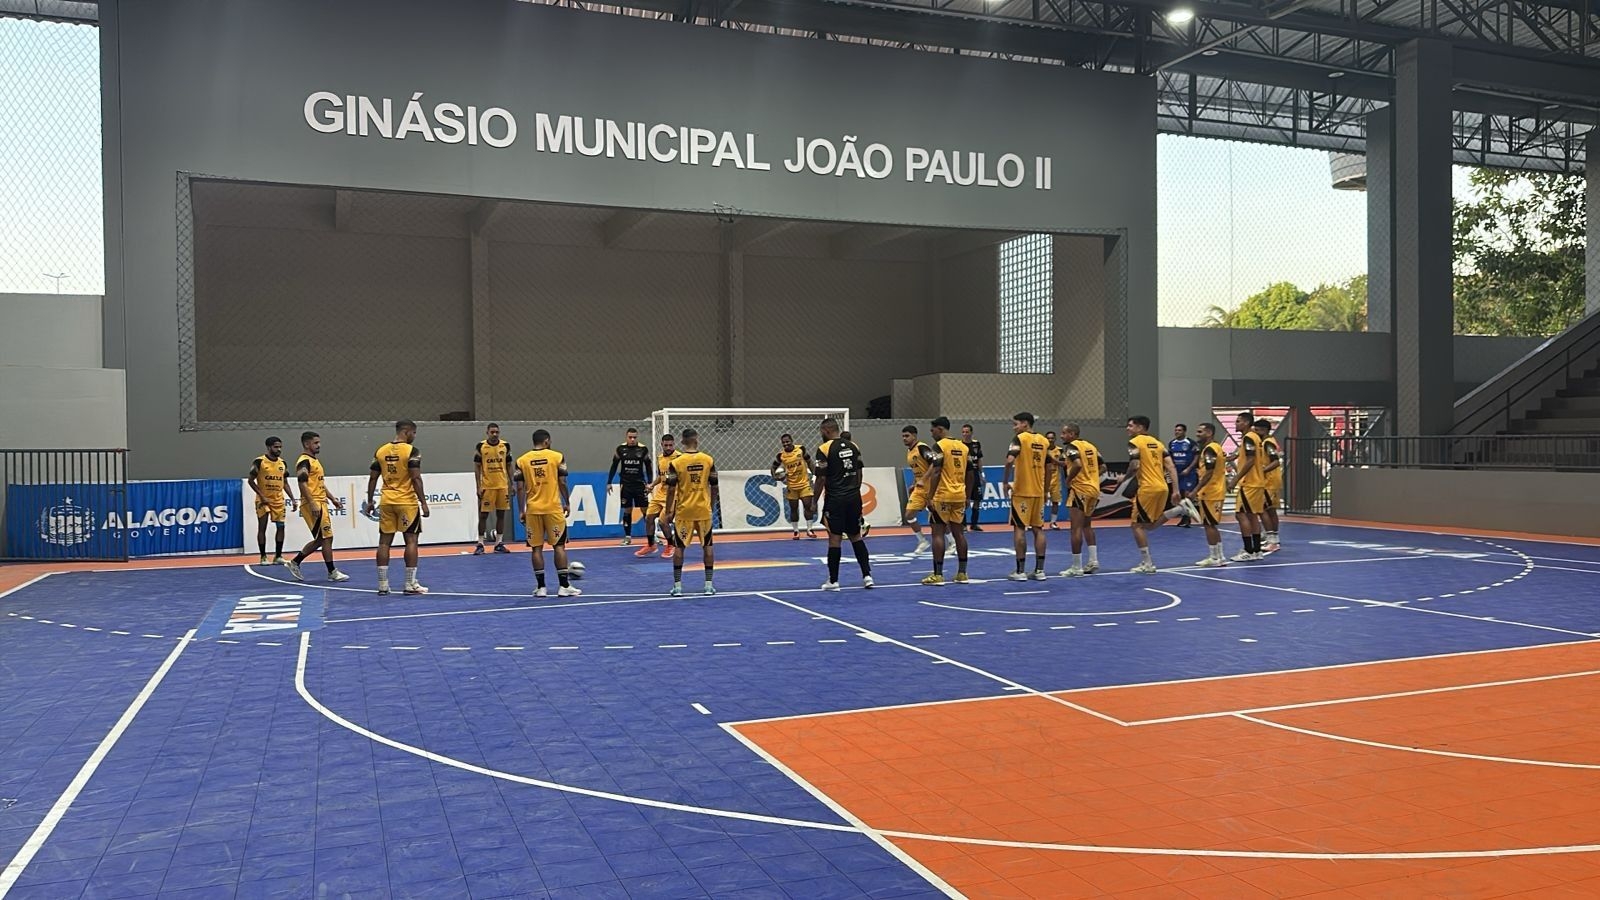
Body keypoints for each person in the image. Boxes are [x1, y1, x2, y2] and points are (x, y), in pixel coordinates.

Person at [1118, 416, 1200, 574]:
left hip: (1147, 488)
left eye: (1130, 426)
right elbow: (1171, 467)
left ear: (1140, 427)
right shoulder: (1158, 444)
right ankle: (1179, 509)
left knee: (1136, 525)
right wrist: (1175, 490)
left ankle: (1147, 563)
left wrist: (1124, 478)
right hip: (1162, 487)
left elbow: (1134, 466)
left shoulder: (1134, 442)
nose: (1127, 428)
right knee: (1149, 525)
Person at [363, 419, 430, 596]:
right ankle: (410, 583)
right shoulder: (412, 451)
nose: (414, 437)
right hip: (406, 502)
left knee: (384, 542)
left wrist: (370, 501)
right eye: (413, 433)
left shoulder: (381, 451)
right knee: (411, 541)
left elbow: (373, 478)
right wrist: (423, 502)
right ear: (407, 432)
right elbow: (415, 478)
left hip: (386, 501)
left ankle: (382, 585)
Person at [514, 429, 580, 598]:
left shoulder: (521, 460)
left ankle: (541, 587)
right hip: (553, 509)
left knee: (536, 548)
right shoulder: (557, 457)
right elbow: (562, 482)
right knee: (559, 546)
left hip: (533, 510)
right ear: (547, 441)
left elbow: (519, 488)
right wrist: (567, 502)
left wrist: (522, 510)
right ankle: (564, 586)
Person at [813, 418, 874, 591]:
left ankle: (833, 581)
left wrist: (813, 502)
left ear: (825, 430)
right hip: (854, 497)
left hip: (835, 499)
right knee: (856, 536)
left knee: (835, 539)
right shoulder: (853, 446)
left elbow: (821, 478)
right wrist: (855, 490)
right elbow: (859, 471)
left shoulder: (824, 449)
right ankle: (867, 576)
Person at [286, 431, 349, 583]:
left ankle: (295, 562)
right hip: (313, 503)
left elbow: (319, 484)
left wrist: (332, 499)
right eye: (315, 443)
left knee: (322, 539)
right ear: (307, 444)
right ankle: (332, 572)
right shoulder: (304, 461)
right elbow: (302, 483)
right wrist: (312, 502)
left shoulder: (315, 461)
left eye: (319, 442)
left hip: (321, 502)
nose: (319, 445)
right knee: (327, 537)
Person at [663, 428, 718, 596]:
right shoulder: (708, 460)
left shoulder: (676, 463)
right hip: (703, 511)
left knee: (679, 547)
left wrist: (668, 511)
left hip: (684, 511)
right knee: (707, 546)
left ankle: (678, 586)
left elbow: (671, 490)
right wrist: (711, 505)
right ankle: (708, 585)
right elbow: (714, 486)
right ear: (697, 439)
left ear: (682, 442)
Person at [1003, 412, 1054, 581]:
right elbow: (1049, 467)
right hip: (1038, 492)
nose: (1014, 428)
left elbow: (1010, 460)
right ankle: (1040, 571)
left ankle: (1020, 571)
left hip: (1022, 492)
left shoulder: (1020, 439)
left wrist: (1005, 482)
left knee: (1019, 529)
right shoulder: (1044, 441)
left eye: (1016, 424)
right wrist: (1045, 490)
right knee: (1038, 529)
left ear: (1025, 423)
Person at [920, 417, 971, 585]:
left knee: (937, 533)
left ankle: (938, 574)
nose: (931, 433)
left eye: (932, 430)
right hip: (959, 495)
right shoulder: (964, 447)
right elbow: (971, 473)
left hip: (943, 495)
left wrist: (930, 496)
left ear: (940, 429)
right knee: (959, 534)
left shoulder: (939, 446)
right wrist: (967, 496)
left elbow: (936, 471)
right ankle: (962, 573)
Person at [1057, 423, 1102, 577]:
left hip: (1080, 489)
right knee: (1087, 525)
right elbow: (1103, 466)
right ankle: (1093, 560)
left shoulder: (1071, 447)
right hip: (1093, 489)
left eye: (1064, 433)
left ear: (1072, 434)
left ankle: (1076, 566)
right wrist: (1091, 477)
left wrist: (1068, 480)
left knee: (1075, 528)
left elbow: (1077, 464)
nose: (1061, 436)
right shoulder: (1090, 446)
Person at [248, 436, 296, 565]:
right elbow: (250, 481)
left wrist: (292, 498)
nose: (279, 449)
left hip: (278, 500)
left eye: (280, 447)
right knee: (262, 527)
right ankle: (263, 556)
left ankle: (278, 556)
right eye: (276, 447)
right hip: (263, 500)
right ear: (269, 447)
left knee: (281, 527)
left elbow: (285, 482)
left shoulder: (282, 463)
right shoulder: (259, 461)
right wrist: (261, 496)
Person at [1229, 411, 1267, 561]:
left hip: (1249, 482)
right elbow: (1244, 455)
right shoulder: (1254, 437)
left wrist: (1235, 478)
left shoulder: (1249, 438)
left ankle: (1248, 550)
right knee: (1252, 515)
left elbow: (1250, 460)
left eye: (1238, 421)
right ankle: (1257, 550)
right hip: (1257, 482)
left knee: (1240, 514)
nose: (1236, 424)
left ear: (1246, 423)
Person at [1192, 422, 1230, 567]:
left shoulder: (1210, 449)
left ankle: (1214, 558)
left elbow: (1209, 472)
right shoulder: (1216, 447)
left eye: (1200, 432)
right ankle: (1219, 556)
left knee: (1209, 525)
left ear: (1209, 433)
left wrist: (1196, 489)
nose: (1197, 434)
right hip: (1215, 491)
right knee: (1211, 524)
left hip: (1211, 492)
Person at [608, 427, 653, 547]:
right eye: (630, 437)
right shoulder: (620, 449)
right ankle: (627, 537)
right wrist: (609, 482)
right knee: (627, 510)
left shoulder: (643, 449)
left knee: (645, 510)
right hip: (626, 484)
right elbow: (614, 466)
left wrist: (650, 483)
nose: (632, 439)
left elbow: (648, 467)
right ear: (626, 437)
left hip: (640, 484)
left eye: (634, 437)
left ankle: (652, 536)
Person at [637, 433, 679, 558]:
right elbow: (661, 476)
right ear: (662, 445)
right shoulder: (660, 457)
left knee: (662, 522)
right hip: (660, 494)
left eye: (670, 445)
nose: (668, 448)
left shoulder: (679, 458)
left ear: (674, 444)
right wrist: (652, 485)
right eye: (666, 445)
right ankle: (651, 545)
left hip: (673, 495)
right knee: (649, 518)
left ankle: (671, 545)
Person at [472, 423, 511, 556]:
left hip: (502, 486)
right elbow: (477, 467)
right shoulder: (481, 446)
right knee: (483, 515)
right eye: (492, 432)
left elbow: (509, 465)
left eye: (496, 432)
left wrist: (512, 483)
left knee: (501, 515)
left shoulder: (505, 446)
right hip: (487, 487)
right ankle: (480, 544)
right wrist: (478, 486)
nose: (494, 434)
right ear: (487, 433)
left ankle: (498, 543)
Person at [771, 433, 818, 539]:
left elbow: (809, 461)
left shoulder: (801, 449)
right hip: (791, 486)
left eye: (787, 441)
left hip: (804, 484)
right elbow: (773, 467)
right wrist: (775, 477)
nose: (786, 444)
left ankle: (810, 529)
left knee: (808, 506)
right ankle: (796, 531)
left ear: (792, 441)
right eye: (783, 442)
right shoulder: (781, 455)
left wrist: (815, 473)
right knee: (793, 509)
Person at [901, 425, 933, 557]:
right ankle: (922, 541)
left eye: (907, 436)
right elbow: (918, 470)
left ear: (914, 436)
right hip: (919, 488)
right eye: (903, 436)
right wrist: (914, 484)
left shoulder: (922, 447)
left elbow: (934, 464)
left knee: (937, 517)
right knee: (909, 514)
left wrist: (924, 479)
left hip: (932, 486)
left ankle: (952, 542)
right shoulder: (909, 452)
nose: (904, 438)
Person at [1255, 418, 1284, 553]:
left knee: (1263, 509)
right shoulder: (1266, 442)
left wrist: (1262, 471)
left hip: (1269, 481)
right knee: (1271, 510)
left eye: (1257, 430)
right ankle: (1273, 538)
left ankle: (1272, 541)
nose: (1255, 432)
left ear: (1264, 430)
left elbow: (1275, 461)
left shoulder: (1268, 443)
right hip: (1271, 480)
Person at [1169, 424, 1199, 527]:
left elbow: (1196, 457)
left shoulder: (1190, 443)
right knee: (1179, 495)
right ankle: (1183, 516)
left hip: (1189, 473)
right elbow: (1170, 458)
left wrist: (1189, 469)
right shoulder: (1172, 443)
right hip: (1177, 473)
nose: (1177, 432)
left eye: (1179, 430)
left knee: (1187, 494)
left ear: (1184, 432)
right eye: (1176, 430)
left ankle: (1187, 518)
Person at [961, 423, 986, 531]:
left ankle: (974, 524)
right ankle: (963, 525)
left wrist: (982, 474)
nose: (965, 434)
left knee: (977, 500)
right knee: (963, 500)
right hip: (965, 475)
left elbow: (979, 459)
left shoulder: (976, 444)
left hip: (975, 474)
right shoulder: (959, 445)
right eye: (963, 432)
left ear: (971, 433)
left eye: (967, 432)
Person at [1043, 430, 1064, 530]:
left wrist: (1053, 460)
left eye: (1052, 438)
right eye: (1048, 438)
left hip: (1055, 480)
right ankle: (1037, 522)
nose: (1050, 440)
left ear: (1055, 439)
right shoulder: (1042, 450)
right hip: (1043, 479)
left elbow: (1064, 463)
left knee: (1055, 502)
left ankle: (1053, 522)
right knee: (1040, 502)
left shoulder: (1060, 450)